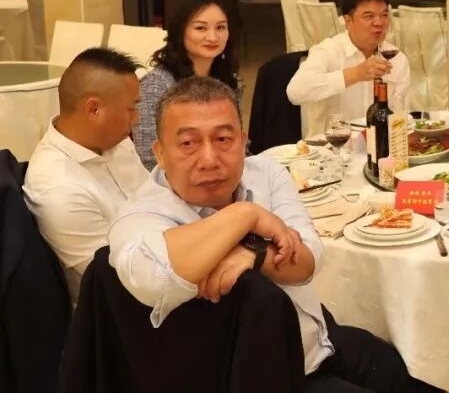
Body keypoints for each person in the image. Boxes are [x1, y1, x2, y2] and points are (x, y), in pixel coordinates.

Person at [108, 77, 426, 392]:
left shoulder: (266, 172)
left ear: (243, 141)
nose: (209, 160)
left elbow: (308, 261)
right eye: (188, 143)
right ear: (160, 153)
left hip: (317, 339)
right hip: (259, 375)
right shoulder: (141, 215)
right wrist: (246, 215)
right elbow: (156, 278)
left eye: (223, 139)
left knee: (411, 372)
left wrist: (253, 254)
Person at [23, 47, 149, 300]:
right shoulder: (59, 191)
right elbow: (126, 281)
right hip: (127, 304)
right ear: (94, 110)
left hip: (167, 256)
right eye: (131, 108)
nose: (136, 119)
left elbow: (155, 197)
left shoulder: (114, 141)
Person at [133, 0, 239, 169]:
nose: (213, 37)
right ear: (180, 31)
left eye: (220, 28)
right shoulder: (155, 85)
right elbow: (149, 156)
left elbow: (236, 142)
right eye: (201, 28)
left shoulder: (228, 80)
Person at [287, 0, 411, 118]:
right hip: (335, 131)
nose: (379, 22)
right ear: (348, 21)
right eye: (369, 16)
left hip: (381, 131)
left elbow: (400, 115)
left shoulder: (397, 58)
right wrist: (355, 74)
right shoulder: (327, 51)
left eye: (384, 15)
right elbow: (295, 92)